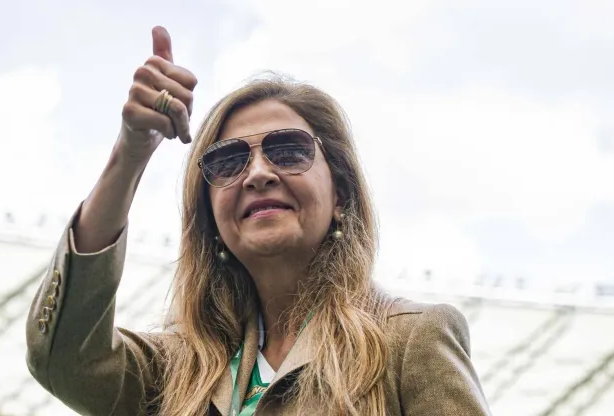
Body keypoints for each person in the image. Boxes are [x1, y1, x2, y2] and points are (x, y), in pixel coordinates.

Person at [25, 26, 491, 416]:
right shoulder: (178, 372)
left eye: (288, 150)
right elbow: (65, 358)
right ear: (211, 218)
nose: (259, 173)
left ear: (341, 196)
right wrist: (130, 154)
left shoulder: (410, 341)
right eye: (228, 162)